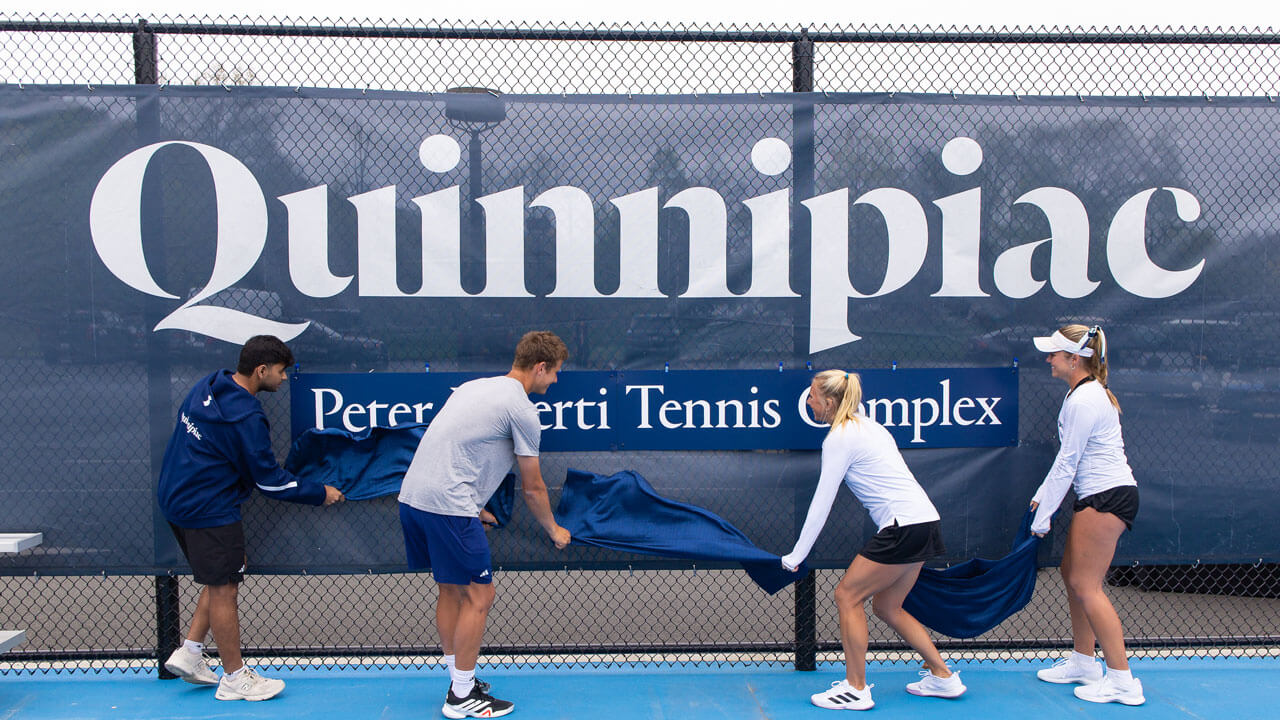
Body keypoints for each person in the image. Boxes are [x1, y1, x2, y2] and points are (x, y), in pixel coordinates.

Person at [158, 335, 345, 701]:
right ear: (261, 371)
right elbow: (269, 482)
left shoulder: (209, 386)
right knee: (225, 588)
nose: (285, 378)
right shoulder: (247, 417)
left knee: (222, 577)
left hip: (175, 499)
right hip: (207, 508)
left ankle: (190, 653)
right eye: (281, 371)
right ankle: (234, 678)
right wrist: (319, 493)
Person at [399, 330, 573, 719]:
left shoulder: (474, 388)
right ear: (540, 367)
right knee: (481, 595)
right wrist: (553, 529)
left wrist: (474, 507)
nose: (556, 381)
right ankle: (460, 697)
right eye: (556, 372)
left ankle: (459, 682)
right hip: (448, 506)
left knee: (451, 590)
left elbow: (453, 445)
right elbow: (533, 488)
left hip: (414, 500)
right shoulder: (523, 410)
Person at [781, 370, 965, 711]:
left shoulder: (840, 437)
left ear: (831, 403)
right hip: (925, 520)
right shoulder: (870, 427)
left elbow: (823, 501)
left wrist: (797, 554)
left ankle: (856, 688)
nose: (808, 402)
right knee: (885, 606)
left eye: (813, 397)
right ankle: (943, 676)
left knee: (846, 595)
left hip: (902, 526)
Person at [1029, 324, 1144, 706]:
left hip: (1107, 496)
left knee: (1087, 586)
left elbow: (1069, 461)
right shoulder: (1082, 394)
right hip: (1098, 494)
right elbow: (1068, 462)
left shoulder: (1084, 400)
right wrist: (1043, 495)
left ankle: (1123, 680)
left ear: (1074, 360)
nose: (1049, 360)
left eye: (1055, 355)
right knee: (1071, 575)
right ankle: (1083, 661)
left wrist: (1044, 514)